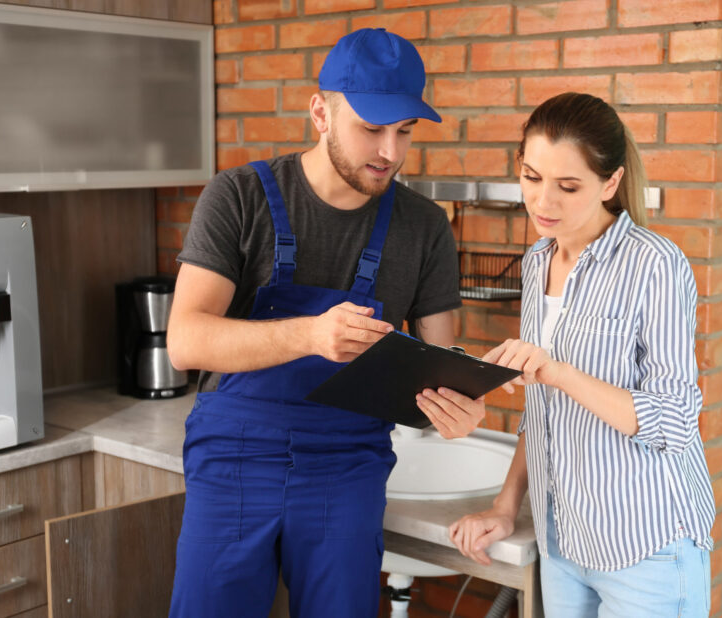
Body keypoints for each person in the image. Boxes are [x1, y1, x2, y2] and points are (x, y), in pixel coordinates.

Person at [165, 28, 486, 618]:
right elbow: (185, 341)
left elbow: (441, 365)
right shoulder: (238, 197)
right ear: (321, 110)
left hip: (347, 467)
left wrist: (458, 408)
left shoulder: (423, 227)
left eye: (405, 132)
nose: (389, 150)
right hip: (234, 457)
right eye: (371, 127)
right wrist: (310, 335)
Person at [449, 92, 715, 617]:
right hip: (563, 540)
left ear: (610, 183)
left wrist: (560, 371)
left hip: (646, 548)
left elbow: (675, 422)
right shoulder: (537, 261)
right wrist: (506, 508)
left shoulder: (655, 265)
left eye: (568, 186)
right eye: (531, 177)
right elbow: (542, 413)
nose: (543, 202)